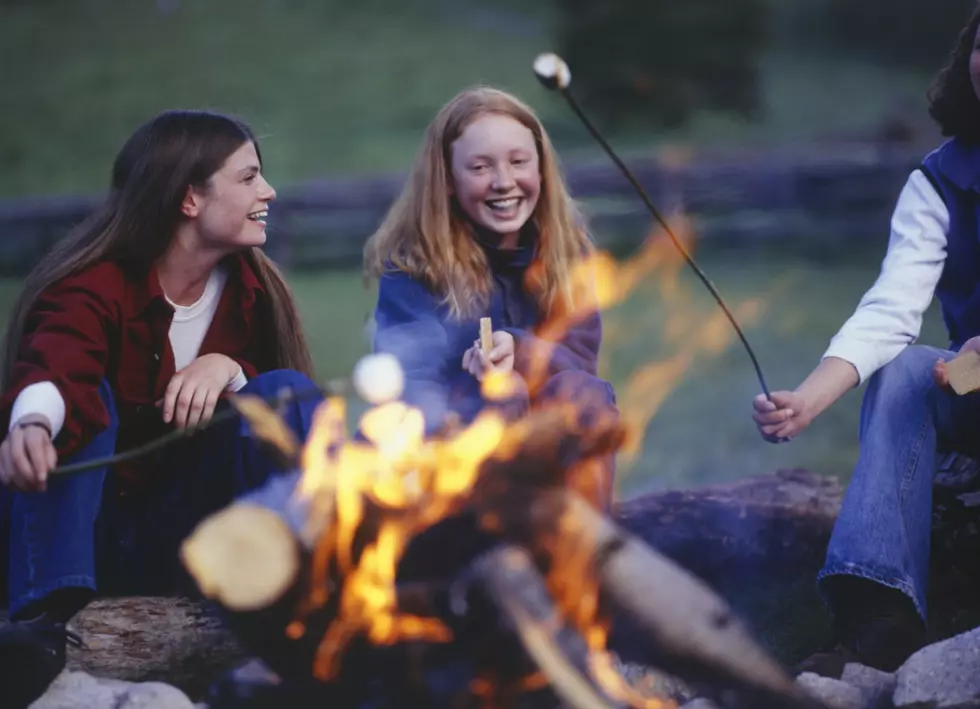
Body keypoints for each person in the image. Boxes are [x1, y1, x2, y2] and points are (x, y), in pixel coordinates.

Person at [0, 109, 323, 707]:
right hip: (88, 537)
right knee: (85, 399)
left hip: (187, 539)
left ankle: (313, 603)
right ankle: (42, 633)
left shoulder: (254, 293)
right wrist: (34, 422)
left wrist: (232, 369)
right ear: (189, 199)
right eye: (249, 177)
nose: (268, 192)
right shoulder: (92, 285)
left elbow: (278, 422)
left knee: (286, 393)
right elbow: (57, 365)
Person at [751, 2, 980, 676]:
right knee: (906, 371)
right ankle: (877, 615)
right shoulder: (939, 183)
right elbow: (889, 311)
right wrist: (811, 398)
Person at [362, 86, 619, 581]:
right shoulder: (415, 263)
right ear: (449, 181)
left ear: (541, 167)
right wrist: (483, 389)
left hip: (550, 441)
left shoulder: (569, 249)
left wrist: (523, 352)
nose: (505, 182)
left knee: (583, 394)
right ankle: (485, 577)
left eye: (519, 162)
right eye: (480, 167)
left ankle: (587, 577)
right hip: (452, 454)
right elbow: (405, 384)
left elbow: (581, 360)